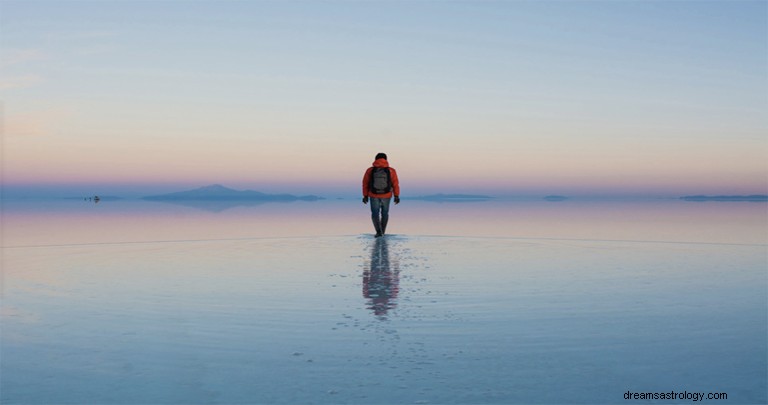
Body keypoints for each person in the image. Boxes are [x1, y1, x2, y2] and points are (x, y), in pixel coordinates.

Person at [362, 152, 400, 237]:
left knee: (375, 213)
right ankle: (383, 231)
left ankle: (378, 231)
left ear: (375, 159)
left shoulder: (370, 170)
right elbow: (395, 184)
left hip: (373, 195)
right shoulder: (391, 170)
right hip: (387, 195)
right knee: (385, 213)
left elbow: (365, 183)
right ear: (386, 159)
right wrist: (396, 196)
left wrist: (365, 196)